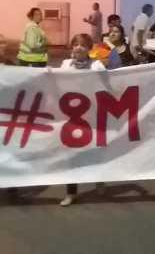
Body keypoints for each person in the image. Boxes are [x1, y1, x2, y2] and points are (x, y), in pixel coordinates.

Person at [58, 33, 106, 206]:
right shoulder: (65, 64)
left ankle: (99, 180)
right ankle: (71, 193)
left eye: (83, 45)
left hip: (92, 115)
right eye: (76, 44)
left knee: (95, 151)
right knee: (72, 155)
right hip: (71, 116)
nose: (79, 47)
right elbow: (55, 83)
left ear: (89, 49)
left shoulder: (97, 65)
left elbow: (110, 82)